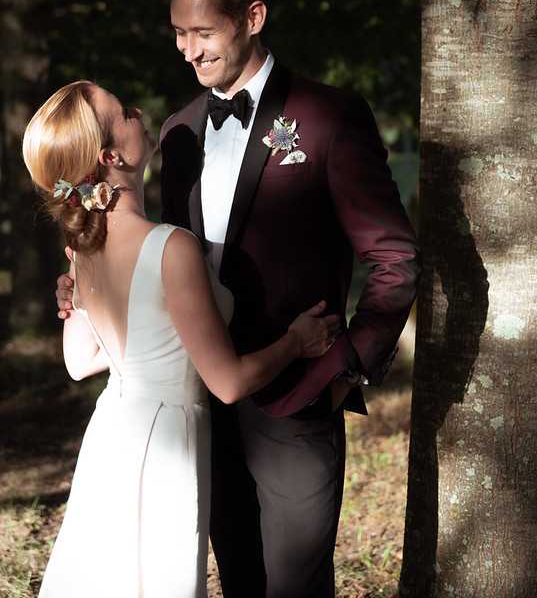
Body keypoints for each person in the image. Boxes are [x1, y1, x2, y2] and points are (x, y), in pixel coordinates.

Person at [57, 0, 420, 598]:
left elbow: (393, 259)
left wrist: (343, 369)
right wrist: (90, 292)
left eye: (202, 32)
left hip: (295, 400)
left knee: (295, 587)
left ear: (252, 17)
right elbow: (158, 259)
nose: (188, 51)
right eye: (177, 34)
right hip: (194, 406)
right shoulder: (177, 133)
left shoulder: (327, 117)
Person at [25, 79, 339, 598]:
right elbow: (229, 383)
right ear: (110, 155)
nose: (139, 110)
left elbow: (81, 362)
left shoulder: (82, 244)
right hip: (165, 447)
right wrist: (297, 342)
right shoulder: (172, 247)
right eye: (124, 111)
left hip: (114, 433)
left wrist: (77, 301)